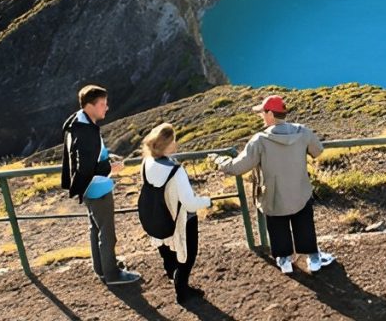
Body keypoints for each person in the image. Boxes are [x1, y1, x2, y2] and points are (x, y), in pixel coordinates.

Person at [213, 95, 333, 274]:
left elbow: (237, 168)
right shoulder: (302, 132)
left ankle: (284, 261)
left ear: (270, 114)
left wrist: (218, 160)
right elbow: (318, 151)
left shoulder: (260, 140)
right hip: (300, 191)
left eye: (262, 112)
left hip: (273, 195)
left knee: (277, 226)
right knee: (304, 224)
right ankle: (314, 259)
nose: (261, 115)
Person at [60, 84, 141, 285]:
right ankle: (113, 275)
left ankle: (103, 269)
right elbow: (85, 167)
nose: (107, 107)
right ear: (89, 106)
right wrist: (109, 168)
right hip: (97, 189)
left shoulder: (78, 122)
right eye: (103, 104)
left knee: (95, 229)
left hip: (88, 188)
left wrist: (107, 156)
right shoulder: (86, 131)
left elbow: (90, 156)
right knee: (107, 234)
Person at [141, 123, 211, 305]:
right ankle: (182, 290)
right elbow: (188, 203)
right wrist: (206, 201)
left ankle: (173, 274)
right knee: (188, 254)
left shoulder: (146, 162)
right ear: (168, 144)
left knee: (167, 252)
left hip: (158, 217)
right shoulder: (176, 171)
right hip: (180, 220)